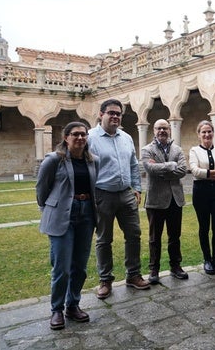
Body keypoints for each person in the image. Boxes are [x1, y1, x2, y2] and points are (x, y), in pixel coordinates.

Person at [36, 121, 99, 330]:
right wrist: (49, 210)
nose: (80, 138)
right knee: (61, 267)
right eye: (75, 134)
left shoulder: (93, 161)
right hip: (62, 215)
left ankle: (73, 305)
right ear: (66, 137)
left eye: (83, 134)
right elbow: (41, 190)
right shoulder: (54, 160)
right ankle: (56, 310)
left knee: (79, 266)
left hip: (86, 214)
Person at [87, 98, 150, 299]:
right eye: (111, 113)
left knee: (134, 235)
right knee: (104, 239)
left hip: (125, 194)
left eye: (118, 114)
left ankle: (133, 275)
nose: (115, 116)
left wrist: (137, 187)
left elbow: (133, 164)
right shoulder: (90, 138)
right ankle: (105, 280)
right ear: (101, 114)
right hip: (102, 194)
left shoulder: (126, 137)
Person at [141, 119, 189, 283]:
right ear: (154, 130)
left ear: (169, 130)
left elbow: (183, 170)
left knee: (175, 236)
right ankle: (154, 269)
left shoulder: (177, 149)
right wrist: (171, 165)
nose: (162, 131)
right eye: (159, 128)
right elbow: (149, 168)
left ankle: (175, 266)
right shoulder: (147, 149)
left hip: (175, 199)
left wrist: (161, 167)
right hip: (155, 200)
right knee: (155, 237)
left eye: (165, 128)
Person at [189, 120, 215, 275]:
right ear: (199, 135)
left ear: (213, 133)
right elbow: (194, 170)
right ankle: (207, 260)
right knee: (204, 227)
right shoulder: (194, 151)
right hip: (201, 192)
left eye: (209, 131)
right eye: (203, 132)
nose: (207, 134)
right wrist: (214, 173)